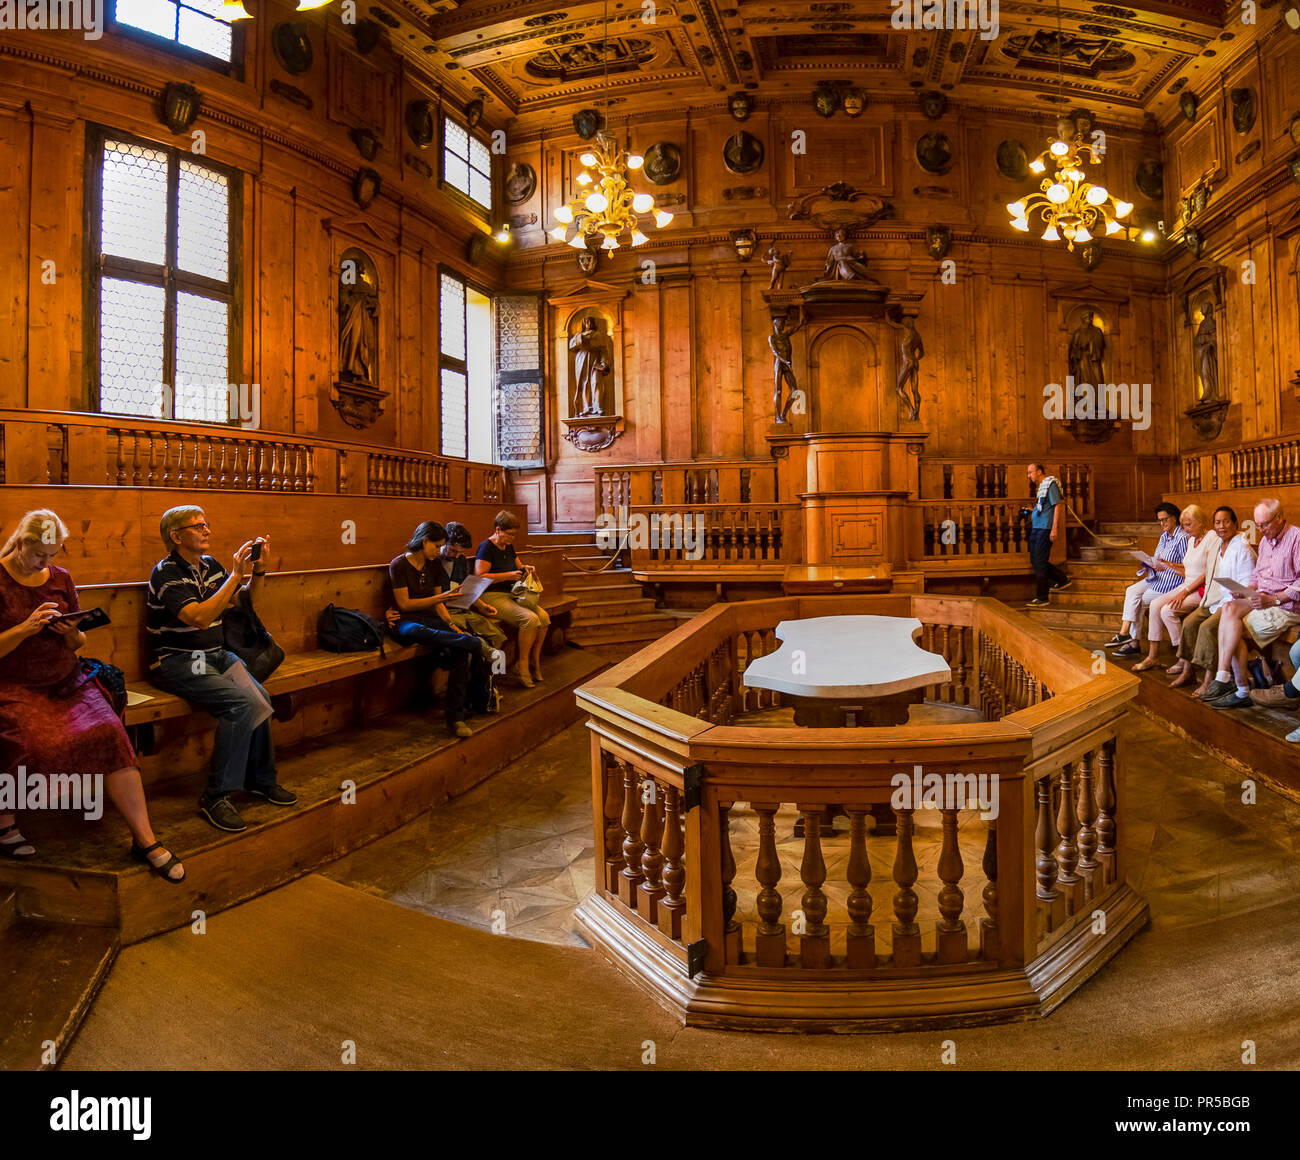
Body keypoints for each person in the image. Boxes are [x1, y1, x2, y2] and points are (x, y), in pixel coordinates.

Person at [0, 509, 184, 881]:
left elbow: (80, 640)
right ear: (20, 542)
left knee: (110, 732)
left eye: (53, 555)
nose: (46, 563)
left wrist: (69, 632)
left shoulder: (61, 578)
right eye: (39, 555)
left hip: (66, 679)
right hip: (13, 684)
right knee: (29, 740)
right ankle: (5, 824)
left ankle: (144, 839)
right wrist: (25, 628)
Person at [147, 506, 296, 834]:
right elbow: (198, 617)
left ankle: (259, 781)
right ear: (176, 536)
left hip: (214, 654)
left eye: (206, 524)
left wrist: (257, 572)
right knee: (240, 704)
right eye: (198, 526)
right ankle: (215, 796)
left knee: (260, 697)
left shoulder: (210, 566)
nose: (206, 531)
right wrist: (234, 576)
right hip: (178, 660)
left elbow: (245, 603)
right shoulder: (166, 572)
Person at [389, 521, 489, 738]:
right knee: (414, 630)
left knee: (460, 650)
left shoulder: (432, 565)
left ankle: (456, 718)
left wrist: (452, 626)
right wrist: (440, 598)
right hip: (407, 620)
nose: (438, 551)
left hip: (430, 618)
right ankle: (472, 642)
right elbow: (405, 604)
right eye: (436, 546)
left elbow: (437, 604)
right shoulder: (398, 565)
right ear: (424, 542)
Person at [1206, 499, 1300, 709]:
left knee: (1233, 629)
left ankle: (1242, 691)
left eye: (1264, 524)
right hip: (1262, 598)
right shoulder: (1266, 541)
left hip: (1285, 605)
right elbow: (1258, 574)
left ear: (1279, 518)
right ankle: (1222, 676)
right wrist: (1245, 589)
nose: (1260, 530)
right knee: (1229, 608)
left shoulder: (1297, 538)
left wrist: (1274, 599)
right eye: (1257, 525)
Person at [1169, 507, 1255, 692]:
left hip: (1235, 603)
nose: (1221, 526)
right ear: (1214, 525)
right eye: (1218, 522)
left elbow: (1249, 586)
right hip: (1218, 599)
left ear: (1235, 523)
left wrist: (1238, 592)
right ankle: (1188, 671)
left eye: (1226, 521)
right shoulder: (1220, 546)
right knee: (1190, 623)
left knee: (1207, 628)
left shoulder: (1242, 548)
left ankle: (1210, 679)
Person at [1130, 505, 1216, 672]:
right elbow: (1187, 568)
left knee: (1167, 611)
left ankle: (1183, 658)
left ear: (1201, 522)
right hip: (1186, 583)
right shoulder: (1191, 539)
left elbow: (1207, 572)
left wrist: (1185, 592)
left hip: (1201, 588)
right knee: (1155, 605)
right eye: (1184, 524)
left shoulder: (1211, 538)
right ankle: (1152, 656)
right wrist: (1168, 564)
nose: (1185, 529)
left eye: (1189, 524)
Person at [475, 511, 550, 689]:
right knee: (530, 619)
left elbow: (518, 566)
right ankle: (521, 665)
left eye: (514, 534)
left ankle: (534, 661)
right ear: (498, 529)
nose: (512, 538)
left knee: (544, 617)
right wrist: (508, 576)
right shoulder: (486, 547)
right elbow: (480, 576)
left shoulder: (508, 546)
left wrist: (526, 568)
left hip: (511, 594)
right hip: (490, 596)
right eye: (509, 534)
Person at [1105, 503, 1187, 655]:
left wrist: (1167, 565)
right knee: (1131, 591)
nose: (1162, 523)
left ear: (1174, 518)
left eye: (1165, 519)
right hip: (1157, 576)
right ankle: (1125, 633)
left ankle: (1133, 644)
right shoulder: (1164, 536)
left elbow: (1187, 566)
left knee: (1139, 603)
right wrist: (1151, 563)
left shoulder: (1182, 537)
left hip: (1172, 581)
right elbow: (1158, 558)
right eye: (1160, 520)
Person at [439, 522, 507, 659]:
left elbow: (466, 587)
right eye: (453, 550)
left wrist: (482, 605)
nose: (457, 555)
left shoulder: (460, 560)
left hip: (462, 607)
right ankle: (475, 676)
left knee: (498, 636)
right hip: (444, 611)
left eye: (461, 552)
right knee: (470, 642)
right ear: (443, 543)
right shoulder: (433, 561)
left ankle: (488, 675)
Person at [1025, 461, 1070, 606]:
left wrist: (1054, 528)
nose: (1029, 476)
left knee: (1040, 562)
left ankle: (1042, 597)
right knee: (1036, 561)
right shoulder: (1041, 487)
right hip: (1037, 527)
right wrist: (1033, 511)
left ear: (1039, 471)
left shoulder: (1050, 484)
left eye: (1030, 472)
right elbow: (1045, 507)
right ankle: (1062, 579)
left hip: (1045, 528)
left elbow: (1057, 505)